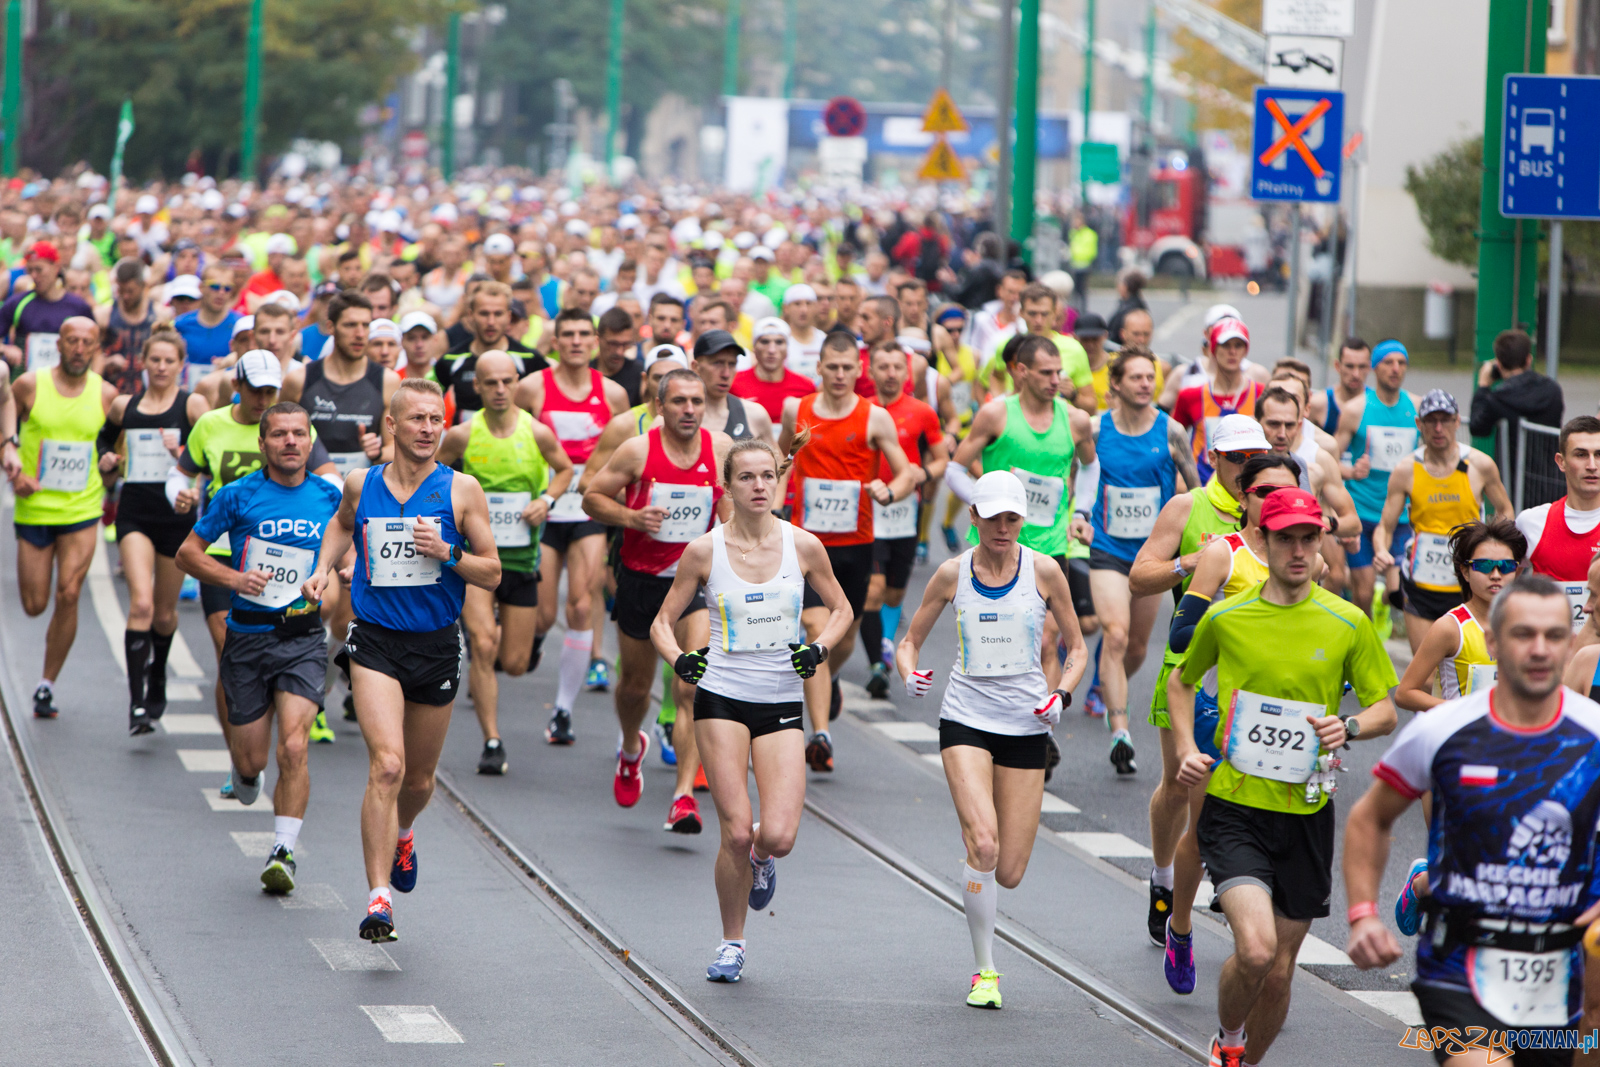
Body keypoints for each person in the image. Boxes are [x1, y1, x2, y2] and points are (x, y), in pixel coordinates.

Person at [1168, 486, 1397, 1067]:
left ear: (1321, 543)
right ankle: (1230, 1040)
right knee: (1255, 950)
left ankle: (1244, 1056)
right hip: (1235, 805)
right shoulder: (1227, 617)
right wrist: (1186, 749)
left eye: (1308, 537)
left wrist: (1349, 726)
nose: (1298, 550)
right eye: (1285, 538)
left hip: (1306, 813)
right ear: (1263, 541)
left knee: (1279, 972)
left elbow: (1385, 709)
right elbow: (1180, 680)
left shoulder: (1347, 622)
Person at [1345, 574, 1600, 1067]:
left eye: (1553, 636)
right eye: (1523, 634)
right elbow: (1369, 818)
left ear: (1571, 642)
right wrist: (1360, 915)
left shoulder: (1591, 733)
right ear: (1492, 641)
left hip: (1560, 974)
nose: (1540, 649)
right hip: (1458, 964)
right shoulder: (1445, 729)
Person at [303, 378, 500, 944]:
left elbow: (492, 571)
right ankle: (378, 897)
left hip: (436, 643)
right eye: (416, 419)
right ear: (391, 426)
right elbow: (342, 524)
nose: (428, 429)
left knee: (417, 777)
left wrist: (449, 552)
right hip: (375, 640)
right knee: (386, 765)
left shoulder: (462, 491)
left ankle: (405, 830)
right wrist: (323, 567)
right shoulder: (361, 483)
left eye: (435, 420)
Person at [650, 435, 852, 983]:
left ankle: (761, 861)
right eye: (747, 477)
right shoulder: (704, 551)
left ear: (778, 481)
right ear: (728, 485)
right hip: (720, 698)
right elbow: (661, 623)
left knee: (776, 837)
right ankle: (732, 942)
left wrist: (820, 648)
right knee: (735, 832)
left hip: (781, 698)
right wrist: (679, 660)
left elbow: (841, 608)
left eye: (768, 476)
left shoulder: (803, 545)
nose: (759, 486)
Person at [898, 470, 1089, 1008]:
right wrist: (908, 672)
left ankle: (981, 884)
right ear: (974, 518)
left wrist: (1062, 696)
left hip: (1026, 724)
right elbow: (909, 642)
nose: (1003, 528)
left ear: (1022, 520)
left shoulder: (1045, 571)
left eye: (1013, 518)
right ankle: (986, 972)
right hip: (965, 720)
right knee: (983, 843)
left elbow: (1076, 650)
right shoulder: (952, 573)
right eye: (993, 518)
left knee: (1009, 870)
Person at [175, 402, 343, 894]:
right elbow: (187, 554)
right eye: (280, 435)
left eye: (299, 434)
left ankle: (283, 852)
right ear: (263, 444)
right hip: (247, 638)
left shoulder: (330, 497)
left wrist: (340, 571)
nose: (290, 442)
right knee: (253, 764)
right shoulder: (236, 495)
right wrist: (236, 578)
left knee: (294, 745)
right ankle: (244, 772)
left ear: (310, 443)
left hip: (302, 638)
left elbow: (348, 547)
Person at [1157, 452, 1308, 990]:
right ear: (1244, 498)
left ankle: (1262, 940)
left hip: (1291, 720)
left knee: (1283, 829)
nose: (1275, 501)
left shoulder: (1310, 558)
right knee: (1203, 832)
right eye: (1264, 491)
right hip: (1226, 716)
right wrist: (1242, 620)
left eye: (1286, 491)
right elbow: (1181, 638)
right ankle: (1179, 925)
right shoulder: (1224, 553)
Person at [1127, 413, 1268, 944]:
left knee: (1239, 788)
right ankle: (1165, 877)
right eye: (1237, 460)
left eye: (1254, 460)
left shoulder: (1276, 510)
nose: (1246, 470)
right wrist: (1193, 561)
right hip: (1193, 669)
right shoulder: (1189, 507)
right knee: (1181, 788)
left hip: (1255, 671)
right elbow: (1140, 578)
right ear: (1213, 458)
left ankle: (1225, 876)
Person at [585, 369, 729, 828]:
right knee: (633, 689)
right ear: (661, 407)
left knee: (690, 686)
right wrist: (632, 516)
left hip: (695, 587)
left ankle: (684, 796)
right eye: (680, 402)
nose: (689, 410)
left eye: (696, 402)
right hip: (642, 581)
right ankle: (632, 749)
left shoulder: (720, 449)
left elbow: (728, 514)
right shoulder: (637, 450)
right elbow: (591, 498)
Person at [778, 330, 915, 772]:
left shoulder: (874, 417)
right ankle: (820, 734)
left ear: (860, 371)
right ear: (818, 368)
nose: (839, 375)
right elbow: (783, 458)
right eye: (831, 367)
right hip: (805, 544)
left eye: (847, 368)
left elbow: (907, 473)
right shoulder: (794, 410)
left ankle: (828, 677)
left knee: (846, 636)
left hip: (856, 544)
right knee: (818, 628)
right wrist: (777, 499)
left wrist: (888, 490)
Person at [435, 351, 573, 776]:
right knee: (483, 642)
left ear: (518, 384)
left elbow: (566, 470)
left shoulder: (537, 432)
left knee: (513, 662)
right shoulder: (461, 434)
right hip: (476, 562)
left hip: (520, 560)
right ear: (476, 386)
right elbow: (431, 475)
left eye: (506, 382)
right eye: (490, 382)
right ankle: (491, 741)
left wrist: (546, 500)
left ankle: (518, 647)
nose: (499, 390)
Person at [1068, 350, 1199, 771]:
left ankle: (1109, 684)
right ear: (1117, 385)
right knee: (1117, 633)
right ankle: (1119, 728)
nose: (1146, 384)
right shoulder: (1092, 429)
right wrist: (1077, 515)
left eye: (1151, 377)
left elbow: (1196, 491)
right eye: (1137, 377)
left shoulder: (1172, 431)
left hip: (1153, 555)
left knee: (1138, 647)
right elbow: (1074, 475)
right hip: (1106, 548)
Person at [282, 290, 403, 740]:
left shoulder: (386, 381)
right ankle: (301, 688)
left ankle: (318, 694)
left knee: (345, 616)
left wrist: (381, 448)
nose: (360, 334)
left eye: (366, 325)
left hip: (363, 506)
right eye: (351, 325)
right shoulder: (302, 378)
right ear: (330, 327)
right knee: (323, 600)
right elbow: (283, 431)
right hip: (312, 504)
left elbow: (397, 447)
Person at [949, 334, 1097, 697]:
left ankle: (1042, 724)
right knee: (993, 637)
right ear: (1021, 371)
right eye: (1046, 372)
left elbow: (1091, 466)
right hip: (993, 546)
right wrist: (986, 506)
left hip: (1048, 546)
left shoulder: (1075, 419)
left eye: (1059, 372)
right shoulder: (996, 414)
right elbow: (954, 470)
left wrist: (1081, 512)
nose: (1056, 380)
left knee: (1046, 639)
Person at [514, 308, 630, 744]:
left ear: (596, 341)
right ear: (556, 341)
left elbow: (620, 448)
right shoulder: (533, 387)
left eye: (585, 334)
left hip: (587, 511)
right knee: (544, 614)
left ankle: (563, 709)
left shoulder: (613, 394)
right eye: (569, 335)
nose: (578, 342)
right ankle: (538, 638)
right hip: (543, 510)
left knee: (581, 606)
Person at [96, 328, 209, 732]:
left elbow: (208, 459)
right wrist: (107, 460)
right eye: (154, 360)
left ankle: (158, 670)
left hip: (176, 519)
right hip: (135, 514)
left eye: (169, 361)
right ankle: (137, 702)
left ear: (181, 366)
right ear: (143, 362)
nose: (161, 367)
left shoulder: (192, 404)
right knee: (140, 604)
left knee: (163, 614)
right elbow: (103, 442)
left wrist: (183, 464)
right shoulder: (125, 405)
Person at [4, 317, 117, 719]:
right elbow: (5, 432)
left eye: (88, 342)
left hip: (82, 508)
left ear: (97, 346)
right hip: (35, 505)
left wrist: (111, 466)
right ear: (60, 343)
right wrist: (12, 469)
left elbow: (114, 453)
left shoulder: (106, 395)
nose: (80, 349)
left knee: (69, 592)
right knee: (34, 604)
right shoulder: (29, 385)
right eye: (73, 341)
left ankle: (46, 684)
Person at [1373, 389, 1513, 652]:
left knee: (1471, 663)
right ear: (1419, 424)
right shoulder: (1406, 470)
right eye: (1431, 420)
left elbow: (1505, 509)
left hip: (1468, 582)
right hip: (1421, 581)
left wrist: (1498, 548)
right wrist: (1381, 550)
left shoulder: (1479, 465)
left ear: (1457, 421)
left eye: (1445, 420)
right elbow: (1385, 525)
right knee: (1425, 672)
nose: (1439, 428)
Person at [861, 344, 947, 697]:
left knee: (895, 592)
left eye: (898, 366)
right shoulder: (862, 411)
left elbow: (942, 458)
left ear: (908, 373)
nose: (891, 373)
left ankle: (883, 638)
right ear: (871, 372)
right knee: (874, 590)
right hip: (868, 511)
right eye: (883, 366)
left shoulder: (923, 413)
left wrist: (922, 473)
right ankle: (879, 660)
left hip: (904, 513)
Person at [1394, 518, 1524, 715]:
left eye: (1506, 566)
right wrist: (1461, 710)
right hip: (1462, 740)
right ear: (1465, 572)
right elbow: (1405, 693)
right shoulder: (1450, 628)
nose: (1496, 574)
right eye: (1484, 566)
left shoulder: (1526, 625)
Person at [1332, 338, 1418, 619]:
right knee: (1364, 592)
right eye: (1388, 363)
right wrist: (1351, 471)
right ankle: (1363, 646)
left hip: (1400, 517)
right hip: (1363, 512)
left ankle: (1385, 606)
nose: (1396, 369)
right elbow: (1332, 458)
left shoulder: (1416, 408)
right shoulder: (1356, 410)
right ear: (1375, 369)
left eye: (1402, 363)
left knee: (1398, 593)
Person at [1518, 415, 1600, 633]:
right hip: (1549, 659)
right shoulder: (1532, 522)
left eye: (1599, 455)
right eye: (1581, 455)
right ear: (1561, 462)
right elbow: (1500, 588)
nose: (1592, 465)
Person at [434, 281, 548, 424]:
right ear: (470, 315)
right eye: (484, 313)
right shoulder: (451, 360)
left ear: (508, 316)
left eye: (498, 314)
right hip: (468, 443)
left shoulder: (530, 359)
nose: (491, 321)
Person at [1171, 317, 1265, 484]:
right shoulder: (1191, 396)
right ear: (1213, 349)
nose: (1232, 352)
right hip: (1201, 487)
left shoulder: (1261, 394)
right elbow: (1171, 439)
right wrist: (1180, 476)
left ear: (1246, 350)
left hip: (1247, 486)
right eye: (1226, 345)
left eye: (1238, 345)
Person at [1469, 327, 1565, 479]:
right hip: (1551, 478)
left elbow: (1477, 427)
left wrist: (1483, 386)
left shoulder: (1499, 398)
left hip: (1514, 480)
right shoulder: (1552, 390)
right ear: (1529, 359)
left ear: (1499, 364)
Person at [0, 242, 96, 373]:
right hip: (26, 385)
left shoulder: (78, 307)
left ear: (56, 267)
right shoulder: (18, 302)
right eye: (30, 270)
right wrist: (5, 349)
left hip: (67, 386)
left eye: (39, 270)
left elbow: (97, 351)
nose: (34, 276)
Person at [692, 329, 770, 441]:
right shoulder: (675, 417)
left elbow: (776, 458)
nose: (726, 374)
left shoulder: (754, 414)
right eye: (717, 363)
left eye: (732, 364)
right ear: (696, 367)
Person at [732, 317, 813, 424]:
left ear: (787, 347)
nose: (772, 350)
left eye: (779, 342)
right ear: (754, 347)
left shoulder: (805, 387)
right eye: (764, 342)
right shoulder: (734, 384)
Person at [172, 264, 241, 388]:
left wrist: (231, 361)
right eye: (215, 286)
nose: (221, 293)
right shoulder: (181, 324)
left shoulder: (240, 326)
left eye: (227, 288)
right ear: (201, 287)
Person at [97, 258, 158, 394]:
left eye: (130, 291)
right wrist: (108, 362)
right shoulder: (105, 315)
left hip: (146, 392)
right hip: (111, 390)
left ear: (143, 286)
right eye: (121, 291)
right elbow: (92, 355)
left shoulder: (158, 316)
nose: (125, 296)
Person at [1308, 338, 1370, 436]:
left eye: (1362, 367)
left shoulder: (1377, 404)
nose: (1356, 374)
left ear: (1369, 367)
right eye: (1350, 366)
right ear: (1337, 366)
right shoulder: (1318, 404)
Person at [594, 306, 644, 406]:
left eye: (625, 344)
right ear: (598, 339)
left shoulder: (639, 374)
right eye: (613, 344)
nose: (619, 352)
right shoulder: (585, 371)